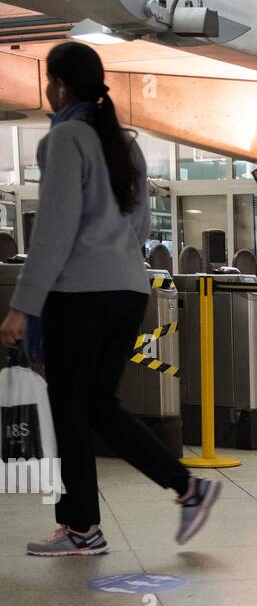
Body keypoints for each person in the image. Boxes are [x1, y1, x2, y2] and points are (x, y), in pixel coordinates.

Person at [0, 41, 220, 555]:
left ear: (58, 84)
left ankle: (83, 527)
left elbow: (54, 229)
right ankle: (184, 488)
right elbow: (140, 222)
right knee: (94, 405)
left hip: (80, 293)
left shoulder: (64, 140)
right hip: (127, 288)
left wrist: (22, 305)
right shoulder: (125, 143)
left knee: (71, 409)